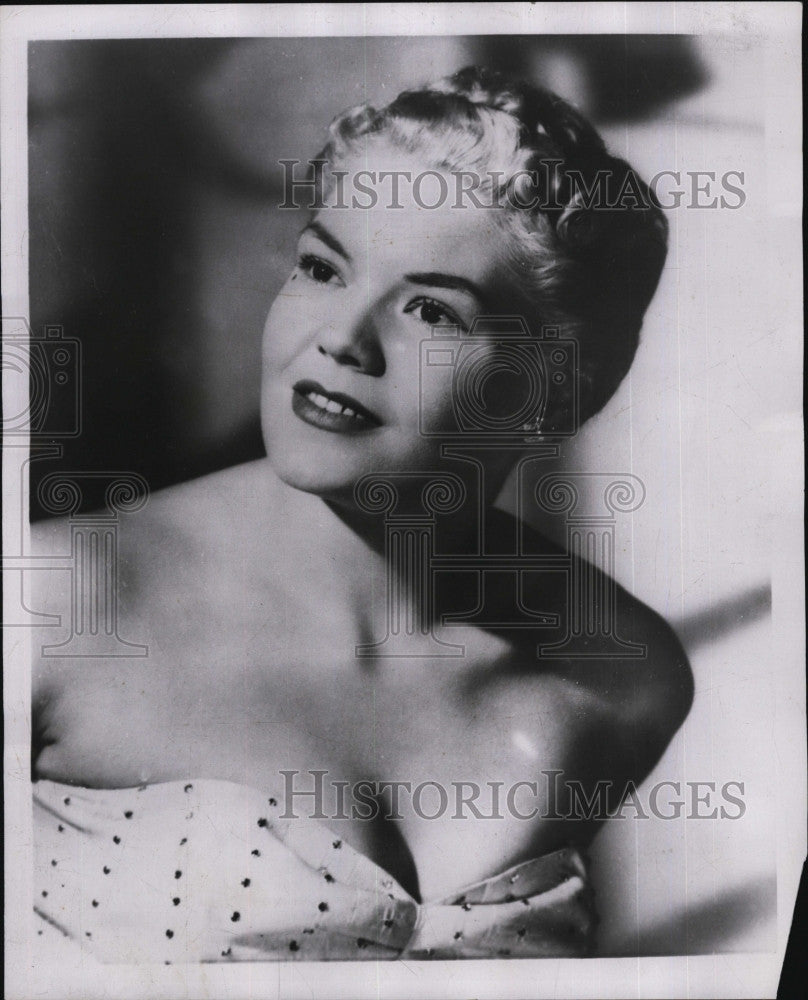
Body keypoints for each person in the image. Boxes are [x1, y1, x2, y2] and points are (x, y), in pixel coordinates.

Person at [30, 66, 692, 962]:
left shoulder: (621, 677)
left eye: (429, 308)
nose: (340, 337)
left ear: (556, 390)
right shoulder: (55, 600)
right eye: (322, 266)